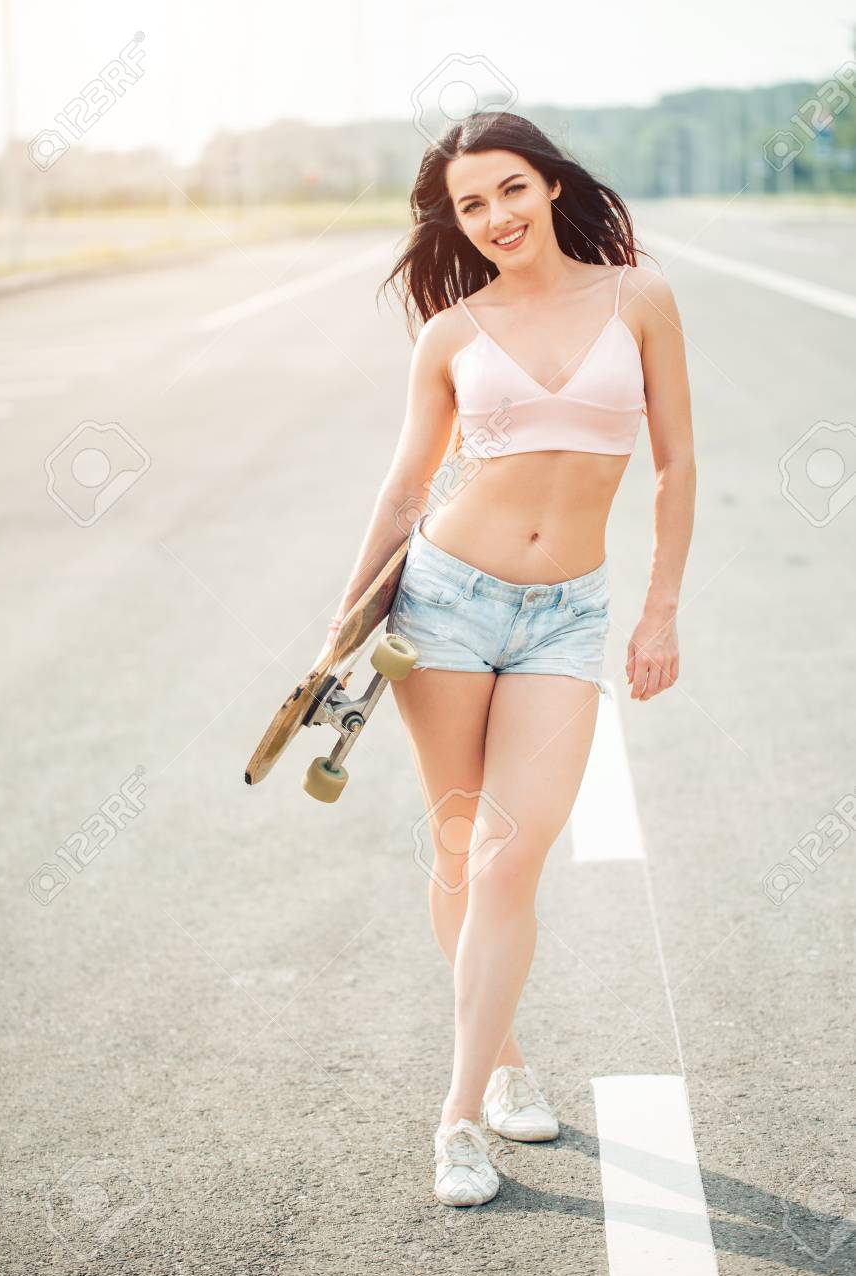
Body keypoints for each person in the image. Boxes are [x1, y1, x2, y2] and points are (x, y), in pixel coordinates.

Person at [319, 111, 695, 1206]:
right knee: (459, 848)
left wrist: (657, 612)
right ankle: (502, 1067)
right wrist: (339, 627)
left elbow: (673, 465)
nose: (492, 219)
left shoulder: (638, 297)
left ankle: (454, 1113)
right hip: (445, 603)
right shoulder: (449, 333)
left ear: (549, 184)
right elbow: (401, 489)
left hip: (565, 616)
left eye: (508, 190)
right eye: (469, 205)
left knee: (507, 856)